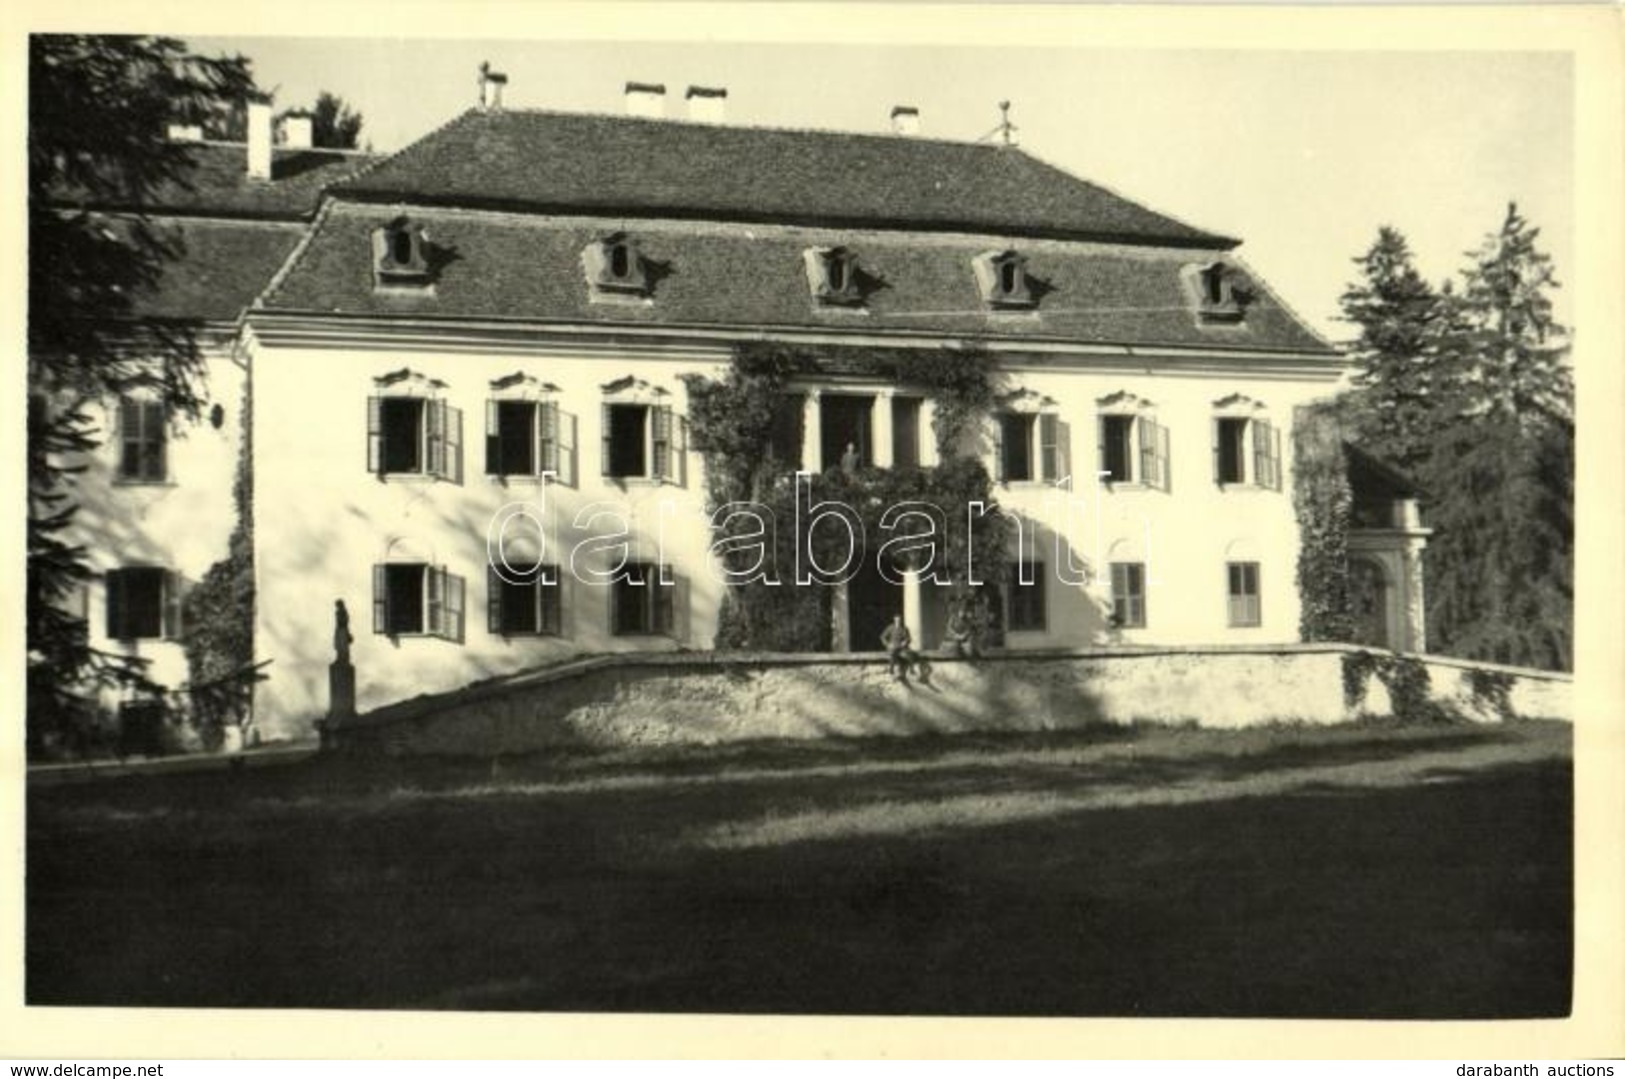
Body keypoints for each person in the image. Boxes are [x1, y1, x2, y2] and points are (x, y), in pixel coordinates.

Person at [880, 613, 917, 681]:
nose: (898, 622)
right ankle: (891, 671)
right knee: (893, 654)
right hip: (893, 647)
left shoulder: (904, 629)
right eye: (897, 620)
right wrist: (888, 644)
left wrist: (905, 642)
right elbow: (883, 637)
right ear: (894, 620)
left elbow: (908, 638)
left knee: (910, 655)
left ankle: (912, 670)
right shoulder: (890, 628)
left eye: (899, 620)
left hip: (901, 648)